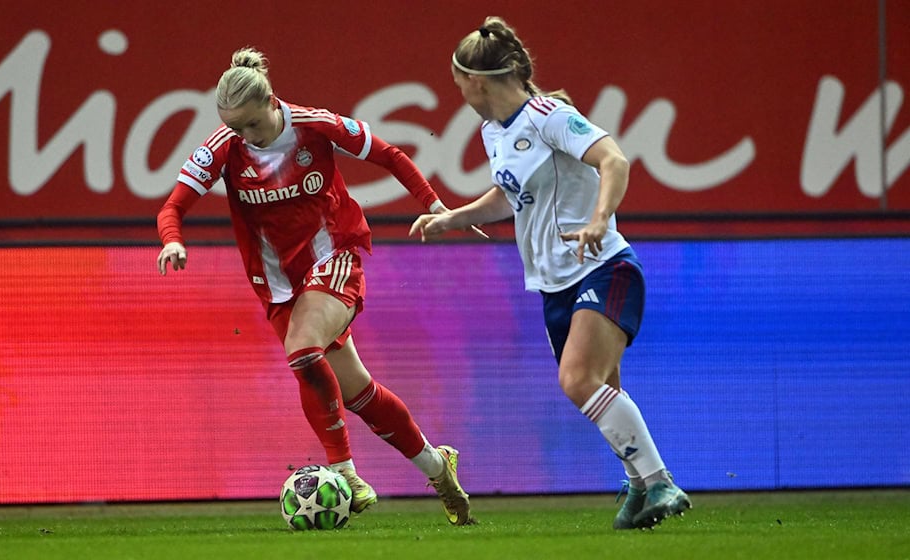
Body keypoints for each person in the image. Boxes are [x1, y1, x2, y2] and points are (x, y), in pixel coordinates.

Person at [156, 47, 473, 525]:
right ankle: (437, 466)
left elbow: (390, 155)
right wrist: (172, 242)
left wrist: (433, 204)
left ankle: (343, 472)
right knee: (356, 393)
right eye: (233, 127)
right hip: (278, 284)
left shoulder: (315, 124)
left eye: (249, 125)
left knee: (303, 349)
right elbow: (172, 207)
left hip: (334, 256)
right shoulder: (224, 146)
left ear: (271, 103)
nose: (243, 136)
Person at [410, 17, 691, 530]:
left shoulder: (549, 115)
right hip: (552, 284)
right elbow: (510, 194)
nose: (456, 89)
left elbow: (614, 160)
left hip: (603, 266)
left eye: (457, 79)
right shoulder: (494, 131)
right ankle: (636, 486)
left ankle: (660, 482)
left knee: (578, 379)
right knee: (601, 387)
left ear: (476, 79)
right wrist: (454, 217)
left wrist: (599, 219)